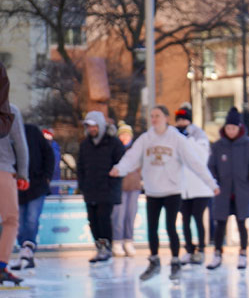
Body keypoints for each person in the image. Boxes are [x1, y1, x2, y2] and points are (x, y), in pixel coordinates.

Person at [110, 106, 219, 282]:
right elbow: (132, 157)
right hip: (153, 190)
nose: (154, 119)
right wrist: (120, 169)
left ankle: (175, 261)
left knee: (170, 227)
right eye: (152, 116)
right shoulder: (146, 139)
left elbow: (195, 162)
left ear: (166, 118)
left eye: (158, 116)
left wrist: (211, 183)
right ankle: (154, 261)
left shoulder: (176, 139)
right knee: (152, 228)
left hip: (172, 190)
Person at [206, 107, 249, 270]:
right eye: (228, 128)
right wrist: (215, 184)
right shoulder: (217, 146)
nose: (231, 131)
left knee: (241, 223)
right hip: (223, 193)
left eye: (234, 128)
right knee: (220, 224)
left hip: (242, 193)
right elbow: (211, 167)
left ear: (239, 128)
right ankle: (217, 253)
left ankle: (243, 253)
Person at [76, 111, 124, 263]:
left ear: (100, 126)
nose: (92, 129)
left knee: (104, 219)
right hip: (90, 190)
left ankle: (106, 248)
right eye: (89, 127)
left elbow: (121, 165)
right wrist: (83, 185)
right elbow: (80, 167)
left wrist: (112, 184)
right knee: (93, 221)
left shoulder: (113, 143)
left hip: (107, 190)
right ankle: (99, 247)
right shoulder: (85, 145)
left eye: (94, 126)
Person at [10, 122, 56, 271]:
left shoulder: (32, 131)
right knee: (19, 222)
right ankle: (25, 251)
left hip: (36, 185)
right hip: (16, 186)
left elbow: (48, 154)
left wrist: (46, 177)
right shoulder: (6, 136)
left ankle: (28, 250)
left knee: (31, 218)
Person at [173, 106, 213, 265]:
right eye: (179, 120)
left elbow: (202, 156)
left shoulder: (198, 134)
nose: (181, 122)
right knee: (185, 220)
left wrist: (187, 140)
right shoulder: (173, 135)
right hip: (183, 188)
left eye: (184, 119)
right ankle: (189, 249)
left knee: (198, 218)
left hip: (199, 187)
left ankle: (201, 249)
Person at [0, 99, 27, 286]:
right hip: (3, 170)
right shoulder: (10, 111)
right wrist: (23, 173)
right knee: (10, 220)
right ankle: (1, 266)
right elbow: (20, 144)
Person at [110, 122, 142, 257]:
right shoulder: (116, 149)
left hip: (134, 187)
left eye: (127, 135)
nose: (124, 138)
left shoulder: (136, 150)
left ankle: (128, 240)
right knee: (119, 215)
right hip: (120, 187)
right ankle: (117, 241)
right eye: (122, 135)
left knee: (131, 215)